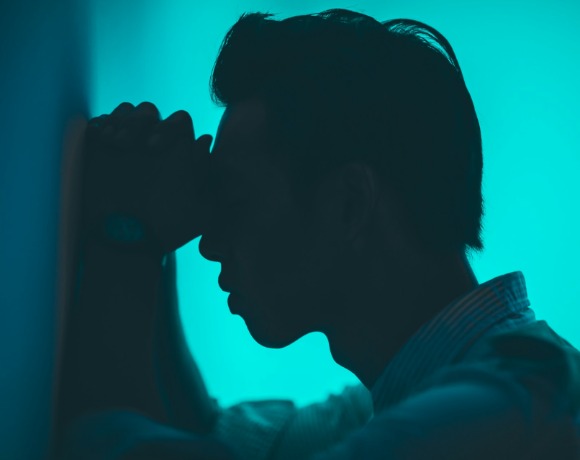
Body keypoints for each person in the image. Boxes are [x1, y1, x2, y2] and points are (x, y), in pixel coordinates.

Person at [54, 8, 580, 460]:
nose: (209, 243)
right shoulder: (423, 395)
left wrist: (125, 235)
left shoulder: (505, 414)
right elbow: (212, 438)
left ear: (349, 204)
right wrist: (151, 234)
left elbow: (110, 446)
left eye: (234, 203)